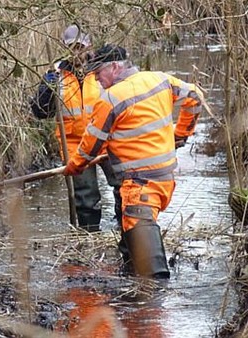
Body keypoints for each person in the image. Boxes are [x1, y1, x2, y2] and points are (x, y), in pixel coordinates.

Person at [63, 44, 203, 278]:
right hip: (165, 181)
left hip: (139, 187)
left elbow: (91, 145)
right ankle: (129, 290)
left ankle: (149, 308)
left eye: (98, 73)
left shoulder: (111, 98)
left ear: (115, 67)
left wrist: (75, 166)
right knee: (130, 248)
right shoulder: (160, 79)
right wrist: (182, 134)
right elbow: (195, 97)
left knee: (152, 272)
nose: (97, 79)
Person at [30, 25, 122, 233]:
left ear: (89, 46)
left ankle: (124, 228)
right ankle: (89, 235)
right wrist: (47, 90)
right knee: (86, 195)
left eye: (81, 46)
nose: (77, 52)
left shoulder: (102, 70)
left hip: (107, 140)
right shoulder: (56, 75)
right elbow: (40, 112)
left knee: (123, 185)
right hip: (75, 144)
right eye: (72, 47)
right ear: (65, 48)